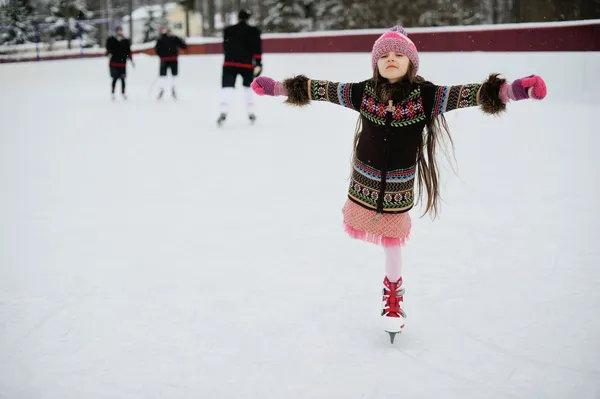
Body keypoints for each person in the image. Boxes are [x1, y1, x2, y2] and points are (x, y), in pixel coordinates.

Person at [250, 26, 547, 343]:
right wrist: (277, 88)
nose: (391, 59)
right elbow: (321, 89)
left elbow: (471, 94)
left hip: (397, 190)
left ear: (411, 64)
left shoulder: (427, 97)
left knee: (393, 242)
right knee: (382, 236)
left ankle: (393, 296)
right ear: (375, 63)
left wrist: (515, 90)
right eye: (385, 55)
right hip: (363, 184)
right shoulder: (362, 93)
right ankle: (391, 291)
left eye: (399, 55)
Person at [217, 9, 263, 126]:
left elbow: (225, 46)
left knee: (227, 87)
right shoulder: (253, 31)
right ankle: (251, 113)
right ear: (248, 18)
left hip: (229, 63)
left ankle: (223, 111)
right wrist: (258, 62)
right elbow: (257, 48)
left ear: (238, 17)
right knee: (248, 88)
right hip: (246, 64)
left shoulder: (228, 30)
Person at [154, 26, 188, 100]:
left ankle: (173, 89)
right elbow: (184, 46)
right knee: (164, 76)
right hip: (167, 59)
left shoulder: (172, 38)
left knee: (173, 75)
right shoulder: (163, 39)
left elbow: (183, 46)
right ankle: (163, 89)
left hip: (170, 59)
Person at [105, 26, 133, 100]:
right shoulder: (111, 40)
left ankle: (123, 93)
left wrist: (131, 59)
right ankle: (113, 93)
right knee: (115, 79)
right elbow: (108, 49)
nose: (120, 32)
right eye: (118, 30)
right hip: (114, 63)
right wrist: (108, 52)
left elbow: (128, 51)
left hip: (122, 63)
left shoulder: (125, 41)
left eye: (121, 30)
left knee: (123, 79)